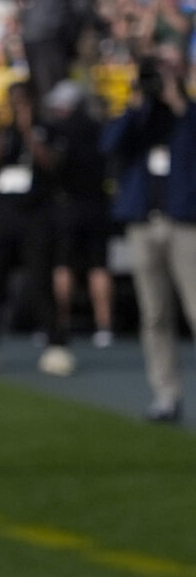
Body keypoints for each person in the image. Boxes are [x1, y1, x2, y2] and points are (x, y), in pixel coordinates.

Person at [104, 51, 194, 420]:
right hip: (144, 222)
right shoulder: (139, 118)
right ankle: (166, 394)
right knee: (154, 315)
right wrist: (137, 103)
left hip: (185, 223)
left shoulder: (187, 116)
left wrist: (178, 101)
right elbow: (109, 145)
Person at [0, 83, 61, 375]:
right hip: (3, 214)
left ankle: (56, 344)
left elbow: (51, 164)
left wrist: (28, 132)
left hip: (35, 215)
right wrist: (4, 131)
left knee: (40, 280)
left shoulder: (45, 129)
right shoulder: (1, 132)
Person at [41, 80, 114, 356]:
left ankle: (61, 322)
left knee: (64, 265)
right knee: (98, 265)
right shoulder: (98, 129)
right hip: (97, 204)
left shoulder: (59, 131)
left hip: (70, 206)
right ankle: (104, 326)